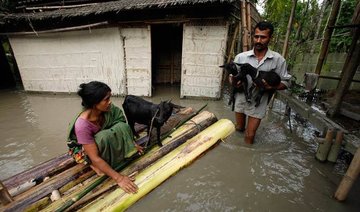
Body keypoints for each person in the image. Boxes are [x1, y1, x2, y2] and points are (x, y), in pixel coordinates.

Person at [67, 81, 143, 194]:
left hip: (100, 140)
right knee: (102, 139)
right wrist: (119, 178)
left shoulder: (108, 109)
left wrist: (131, 143)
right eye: (106, 99)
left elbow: (121, 123)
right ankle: (94, 166)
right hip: (82, 149)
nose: (110, 102)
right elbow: (95, 157)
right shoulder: (82, 125)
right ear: (94, 104)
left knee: (122, 126)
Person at [229, 21, 291, 144]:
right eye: (256, 36)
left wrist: (270, 86)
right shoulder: (241, 57)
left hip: (260, 100)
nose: (258, 40)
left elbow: (286, 82)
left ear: (270, 38)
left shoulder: (278, 60)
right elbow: (231, 77)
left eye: (263, 37)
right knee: (239, 128)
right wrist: (234, 82)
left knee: (250, 135)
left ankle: (246, 159)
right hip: (241, 97)